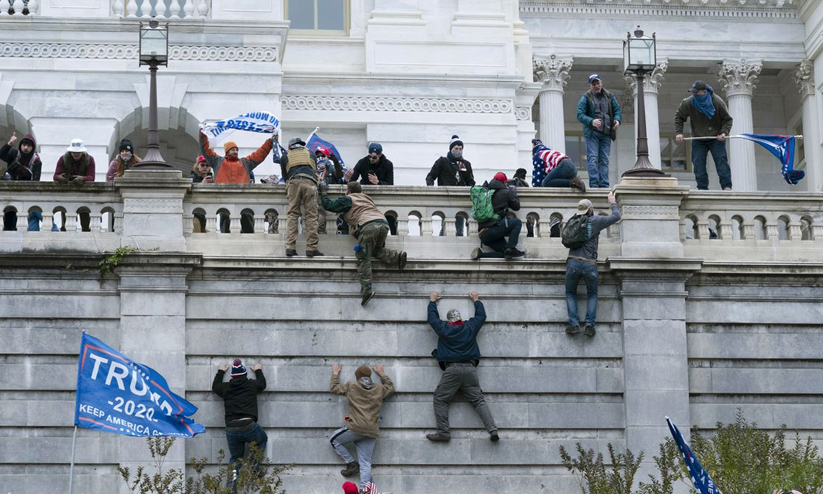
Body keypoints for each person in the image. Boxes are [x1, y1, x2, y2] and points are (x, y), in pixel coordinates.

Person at [425, 290, 498, 442]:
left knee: (440, 398)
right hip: (470, 369)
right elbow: (481, 317)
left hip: (452, 370)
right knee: (478, 400)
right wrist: (476, 300)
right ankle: (492, 429)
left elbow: (432, 319)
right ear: (460, 319)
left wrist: (432, 302)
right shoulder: (469, 327)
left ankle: (444, 432)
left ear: (450, 321)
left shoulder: (445, 329)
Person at [320, 180, 407, 306]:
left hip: (368, 226)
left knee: (363, 257)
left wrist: (323, 192)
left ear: (348, 191)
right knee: (375, 250)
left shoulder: (348, 199)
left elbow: (329, 205)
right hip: (383, 224)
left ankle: (366, 290)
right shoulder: (367, 199)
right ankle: (398, 258)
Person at [330, 364, 394, 492]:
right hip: (372, 430)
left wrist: (335, 374)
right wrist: (382, 374)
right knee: (365, 463)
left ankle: (351, 463)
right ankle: (365, 490)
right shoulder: (379, 388)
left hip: (356, 428)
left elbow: (335, 388)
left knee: (334, 439)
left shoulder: (351, 386)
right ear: (370, 376)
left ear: (357, 376)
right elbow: (391, 388)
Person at [565, 193, 621, 337]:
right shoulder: (595, 221)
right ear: (590, 209)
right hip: (589, 262)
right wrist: (613, 202)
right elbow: (616, 216)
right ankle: (589, 326)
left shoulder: (573, 221)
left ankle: (574, 324)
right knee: (592, 294)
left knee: (571, 293)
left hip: (572, 261)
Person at [199, 129, 274, 233]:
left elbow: (260, 154)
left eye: (236, 149)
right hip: (224, 202)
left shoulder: (246, 163)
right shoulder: (217, 161)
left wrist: (270, 141)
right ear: (227, 151)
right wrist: (203, 133)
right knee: (225, 230)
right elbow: (205, 150)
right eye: (232, 149)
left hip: (244, 201)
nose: (235, 151)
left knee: (248, 227)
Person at [212, 359, 267, 490]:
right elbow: (262, 384)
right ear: (244, 374)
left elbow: (215, 386)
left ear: (232, 376)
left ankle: (231, 487)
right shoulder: (251, 385)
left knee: (236, 458)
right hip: (249, 425)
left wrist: (220, 372)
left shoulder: (226, 388)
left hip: (231, 428)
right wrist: (258, 370)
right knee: (262, 439)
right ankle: (254, 467)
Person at [674, 80, 734, 191]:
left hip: (716, 138)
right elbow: (679, 117)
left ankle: (726, 186)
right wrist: (679, 133)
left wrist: (724, 132)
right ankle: (702, 188)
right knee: (698, 162)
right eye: (693, 92)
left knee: (721, 160)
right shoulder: (689, 102)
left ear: (704, 91)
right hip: (699, 138)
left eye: (697, 92)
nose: (694, 95)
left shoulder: (717, 102)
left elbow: (727, 120)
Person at [576, 74, 622, 188]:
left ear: (601, 83)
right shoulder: (586, 97)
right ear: (590, 85)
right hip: (592, 133)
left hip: (606, 133)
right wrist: (591, 121)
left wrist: (617, 120)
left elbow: (617, 110)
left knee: (604, 160)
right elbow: (579, 115)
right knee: (593, 158)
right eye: (594, 84)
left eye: (598, 83)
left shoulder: (609, 96)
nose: (596, 86)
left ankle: (604, 185)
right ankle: (594, 185)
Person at [280, 137, 322, 257]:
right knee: (312, 216)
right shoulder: (311, 153)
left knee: (293, 214)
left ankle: (290, 247)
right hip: (310, 183)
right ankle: (311, 248)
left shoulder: (286, 155)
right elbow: (314, 170)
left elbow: (285, 175)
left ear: (290, 146)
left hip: (294, 182)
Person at [426, 135, 475, 237]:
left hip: (461, 199)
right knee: (447, 224)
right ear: (451, 149)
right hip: (446, 197)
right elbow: (431, 176)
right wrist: (431, 188)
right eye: (456, 149)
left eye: (460, 149)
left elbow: (470, 180)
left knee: (459, 228)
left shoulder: (464, 164)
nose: (459, 151)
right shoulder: (443, 161)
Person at [345, 142, 396, 234]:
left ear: (380, 155)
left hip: (382, 195)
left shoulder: (388, 164)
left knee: (390, 216)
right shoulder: (362, 162)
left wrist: (378, 182)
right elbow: (353, 180)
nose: (371, 159)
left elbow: (390, 183)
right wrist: (348, 180)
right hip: (365, 195)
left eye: (374, 157)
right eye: (370, 156)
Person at [471, 172, 524, 260]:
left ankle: (481, 255)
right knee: (517, 222)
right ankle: (511, 247)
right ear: (504, 182)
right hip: (494, 229)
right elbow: (516, 206)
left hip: (483, 234)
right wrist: (513, 192)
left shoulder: (486, 192)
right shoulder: (505, 192)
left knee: (505, 253)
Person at [1, 132, 43, 231]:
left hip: (25, 193)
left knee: (22, 218)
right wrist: (9, 144)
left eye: (28, 146)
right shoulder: (14, 153)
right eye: (24, 145)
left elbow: (36, 180)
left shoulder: (36, 161)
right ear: (20, 145)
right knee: (9, 216)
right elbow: (1, 155)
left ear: (33, 148)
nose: (25, 148)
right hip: (10, 192)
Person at [54, 138, 95, 232]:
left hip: (84, 195)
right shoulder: (63, 159)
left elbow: (91, 177)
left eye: (78, 152)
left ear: (82, 152)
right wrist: (60, 178)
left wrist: (83, 178)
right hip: (67, 195)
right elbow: (55, 176)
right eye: (74, 152)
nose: (76, 154)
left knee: (85, 223)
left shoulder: (90, 160)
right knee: (66, 223)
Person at [189, 156, 214, 233]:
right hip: (195, 214)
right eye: (202, 165)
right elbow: (189, 191)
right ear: (198, 166)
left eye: (207, 165)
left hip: (207, 214)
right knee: (197, 235)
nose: (205, 167)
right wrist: (201, 184)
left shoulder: (211, 178)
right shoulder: (192, 177)